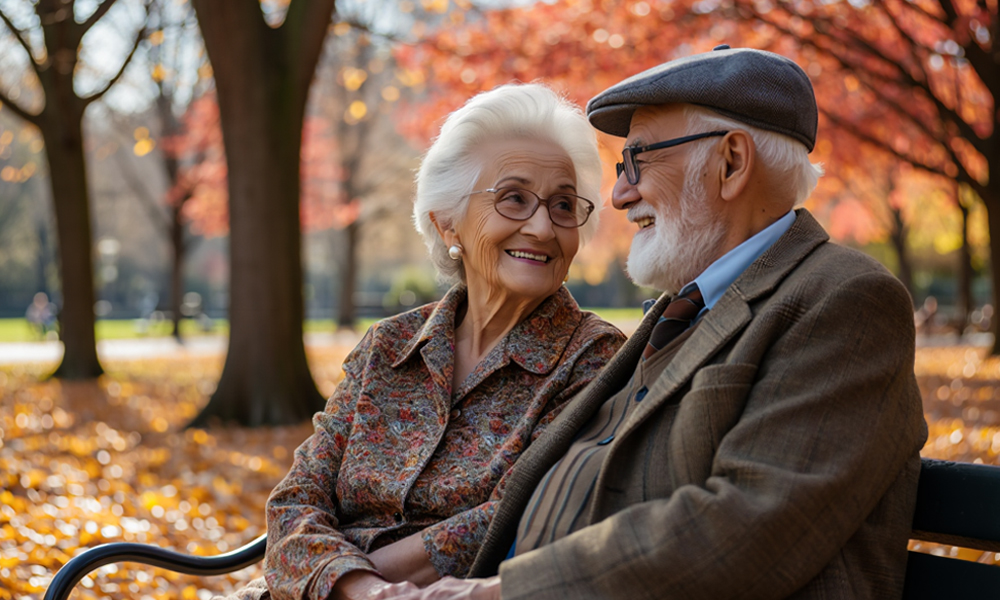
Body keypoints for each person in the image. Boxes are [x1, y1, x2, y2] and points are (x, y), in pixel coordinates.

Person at [374, 47, 929, 600]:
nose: (618, 194)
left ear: (731, 163)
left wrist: (485, 596)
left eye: (638, 161)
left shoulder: (843, 297)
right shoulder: (686, 307)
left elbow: (743, 529)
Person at [248, 83, 626, 600]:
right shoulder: (388, 345)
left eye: (563, 205)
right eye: (514, 198)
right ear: (447, 223)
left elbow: (522, 514)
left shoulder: (595, 358)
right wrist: (354, 589)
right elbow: (296, 499)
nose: (542, 226)